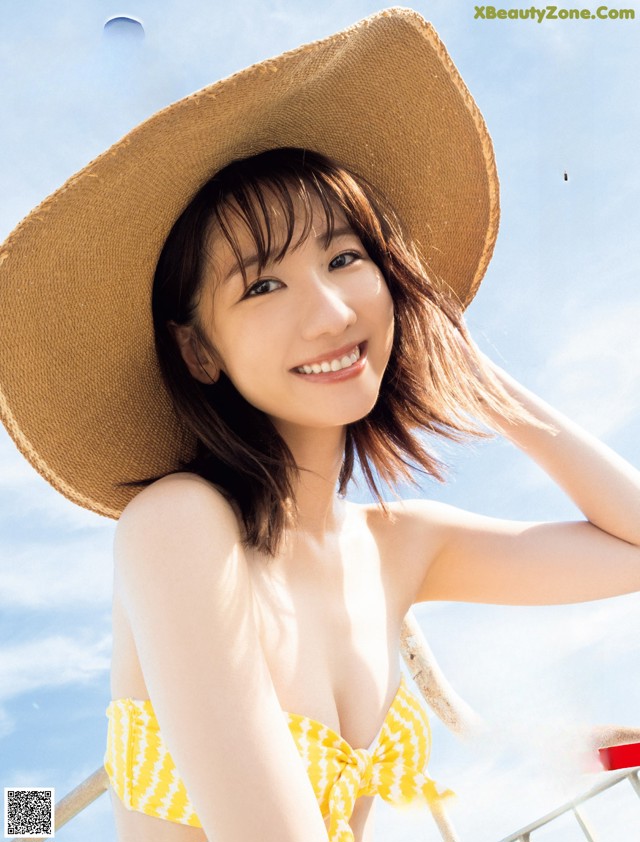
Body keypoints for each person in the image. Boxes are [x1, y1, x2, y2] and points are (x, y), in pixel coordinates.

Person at [0, 9, 638, 842]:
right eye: (263, 287)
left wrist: (476, 379)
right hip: (36, 811)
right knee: (27, 810)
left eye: (345, 259)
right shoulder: (179, 526)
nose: (333, 313)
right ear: (197, 350)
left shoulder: (397, 546)